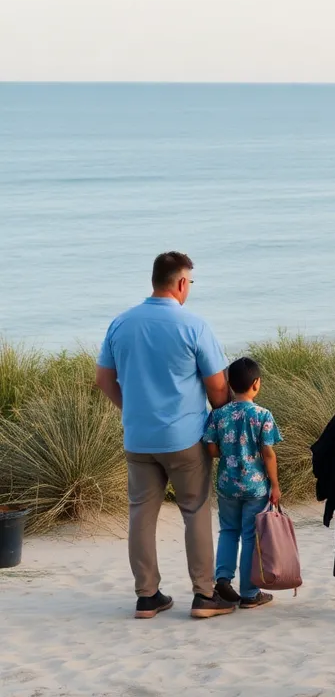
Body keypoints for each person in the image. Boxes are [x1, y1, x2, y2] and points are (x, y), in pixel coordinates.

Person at [94, 251, 235, 619]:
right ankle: (204, 596)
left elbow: (104, 380)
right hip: (185, 438)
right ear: (181, 283)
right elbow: (218, 390)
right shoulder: (193, 326)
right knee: (195, 511)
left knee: (141, 514)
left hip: (138, 438)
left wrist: (132, 410)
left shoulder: (120, 324)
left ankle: (147, 595)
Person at [202, 357, 281, 609]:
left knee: (228, 531)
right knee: (250, 536)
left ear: (229, 384)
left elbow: (212, 450)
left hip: (227, 485)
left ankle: (223, 579)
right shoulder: (263, 415)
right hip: (256, 487)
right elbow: (268, 453)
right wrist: (275, 485)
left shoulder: (218, 415)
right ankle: (249, 592)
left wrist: (229, 454)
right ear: (256, 383)